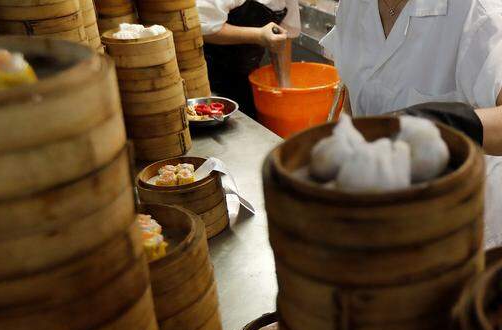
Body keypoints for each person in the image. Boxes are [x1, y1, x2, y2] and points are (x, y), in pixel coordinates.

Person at [320, 0, 502, 247]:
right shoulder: (354, 5)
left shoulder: (476, 11)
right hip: (379, 216)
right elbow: (353, 98)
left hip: (456, 227)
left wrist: (444, 124)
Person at [197, 0, 301, 116]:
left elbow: (284, 36)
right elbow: (202, 28)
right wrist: (258, 36)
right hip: (206, 81)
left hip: (245, 80)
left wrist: (285, 87)